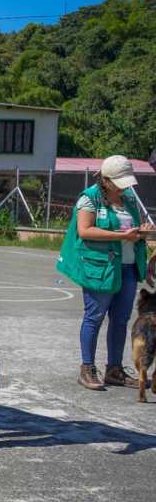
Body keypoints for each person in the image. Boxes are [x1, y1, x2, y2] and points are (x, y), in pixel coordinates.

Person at [57, 155, 151, 390]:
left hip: (128, 267)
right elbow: (85, 230)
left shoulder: (129, 199)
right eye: (119, 181)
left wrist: (144, 233)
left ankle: (115, 369)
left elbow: (133, 231)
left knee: (120, 320)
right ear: (106, 180)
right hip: (99, 268)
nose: (125, 186)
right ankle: (87, 368)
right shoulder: (89, 198)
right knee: (94, 317)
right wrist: (122, 236)